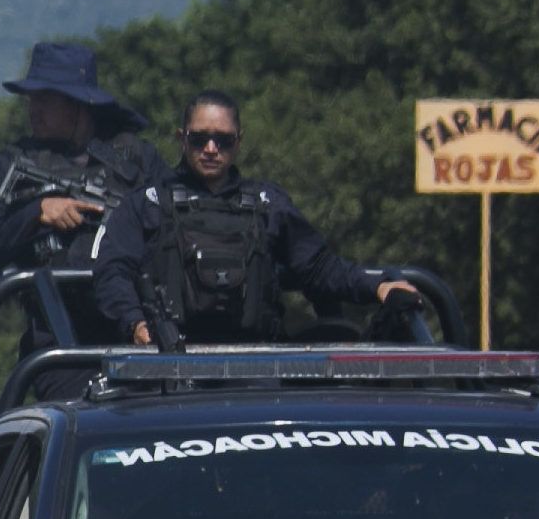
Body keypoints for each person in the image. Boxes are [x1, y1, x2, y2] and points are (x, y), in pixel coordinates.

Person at [92, 91, 424, 349]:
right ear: (181, 138)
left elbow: (319, 267)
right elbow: (112, 273)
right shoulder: (145, 205)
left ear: (239, 143)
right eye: (199, 139)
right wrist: (135, 324)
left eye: (223, 140)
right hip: (169, 365)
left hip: (257, 369)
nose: (210, 148)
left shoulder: (269, 205)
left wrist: (378, 286)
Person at [0, 41, 164, 281]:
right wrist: (35, 214)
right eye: (31, 99)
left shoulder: (137, 158)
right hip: (54, 310)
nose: (33, 110)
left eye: (45, 100)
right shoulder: (12, 162)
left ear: (78, 103)